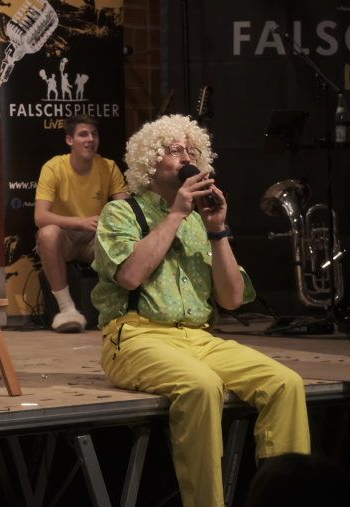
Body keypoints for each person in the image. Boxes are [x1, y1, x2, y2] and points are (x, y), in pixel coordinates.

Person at [91, 114, 310, 507]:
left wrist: (217, 230)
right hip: (137, 336)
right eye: (175, 150)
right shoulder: (122, 212)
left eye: (191, 150)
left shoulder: (200, 221)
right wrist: (175, 213)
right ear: (149, 161)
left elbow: (232, 299)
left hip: (199, 338)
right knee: (202, 385)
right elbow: (130, 276)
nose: (186, 156)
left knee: (286, 383)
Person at [34, 114, 127, 332]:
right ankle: (67, 310)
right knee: (47, 234)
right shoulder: (53, 167)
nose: (90, 139)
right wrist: (80, 222)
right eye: (83, 134)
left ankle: (119, 309)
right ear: (70, 140)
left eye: (94, 134)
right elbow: (40, 217)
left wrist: (109, 222)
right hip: (65, 236)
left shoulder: (109, 166)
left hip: (94, 238)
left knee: (125, 239)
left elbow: (125, 211)